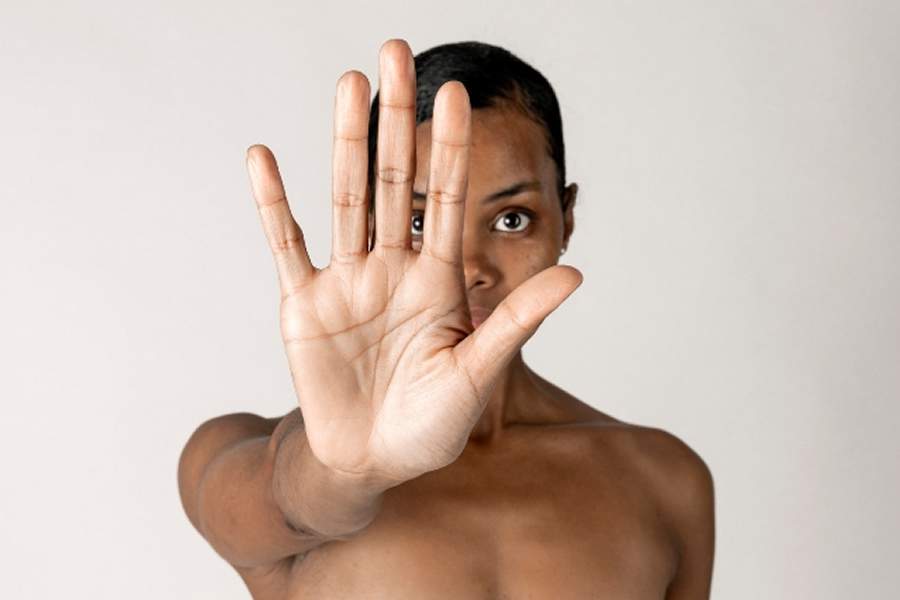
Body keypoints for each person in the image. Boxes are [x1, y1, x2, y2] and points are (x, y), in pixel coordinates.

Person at [177, 38, 715, 599]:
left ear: (566, 220)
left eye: (512, 218)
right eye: (418, 221)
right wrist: (343, 474)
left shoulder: (666, 482)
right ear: (368, 225)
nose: (466, 267)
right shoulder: (242, 457)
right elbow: (281, 503)